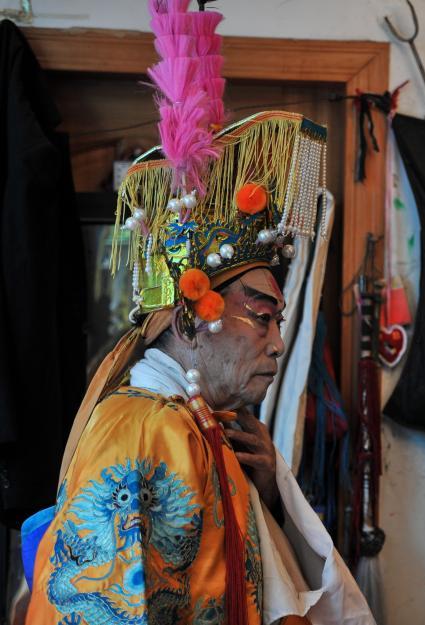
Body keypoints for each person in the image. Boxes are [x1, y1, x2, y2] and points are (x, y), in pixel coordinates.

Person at [23, 2, 373, 624]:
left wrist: (264, 491)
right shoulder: (144, 431)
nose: (275, 343)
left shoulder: (203, 426)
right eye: (261, 316)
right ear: (188, 320)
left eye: (279, 323)